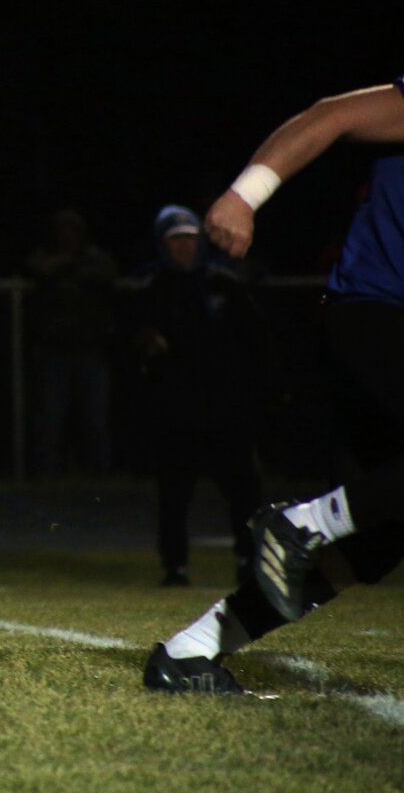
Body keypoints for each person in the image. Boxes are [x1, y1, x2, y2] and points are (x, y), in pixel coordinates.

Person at [144, 76, 404, 694]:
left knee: (378, 539)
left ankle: (192, 651)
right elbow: (332, 116)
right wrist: (244, 195)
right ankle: (303, 524)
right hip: (380, 312)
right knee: (352, 523)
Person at [125, 204, 277, 588]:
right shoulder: (149, 286)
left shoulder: (223, 282)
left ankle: (248, 559)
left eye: (190, 239)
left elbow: (254, 338)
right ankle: (175, 565)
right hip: (176, 407)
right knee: (175, 491)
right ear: (163, 244)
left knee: (242, 489)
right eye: (176, 240)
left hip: (225, 405)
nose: (184, 248)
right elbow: (130, 339)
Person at [22, 207, 119, 477]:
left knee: (95, 418)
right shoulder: (44, 257)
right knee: (51, 418)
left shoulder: (94, 259)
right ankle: (47, 473)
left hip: (90, 350)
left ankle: (101, 475)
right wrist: (63, 266)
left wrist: (73, 268)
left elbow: (107, 272)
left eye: (72, 229)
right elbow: (36, 270)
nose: (67, 235)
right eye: (62, 229)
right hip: (54, 350)